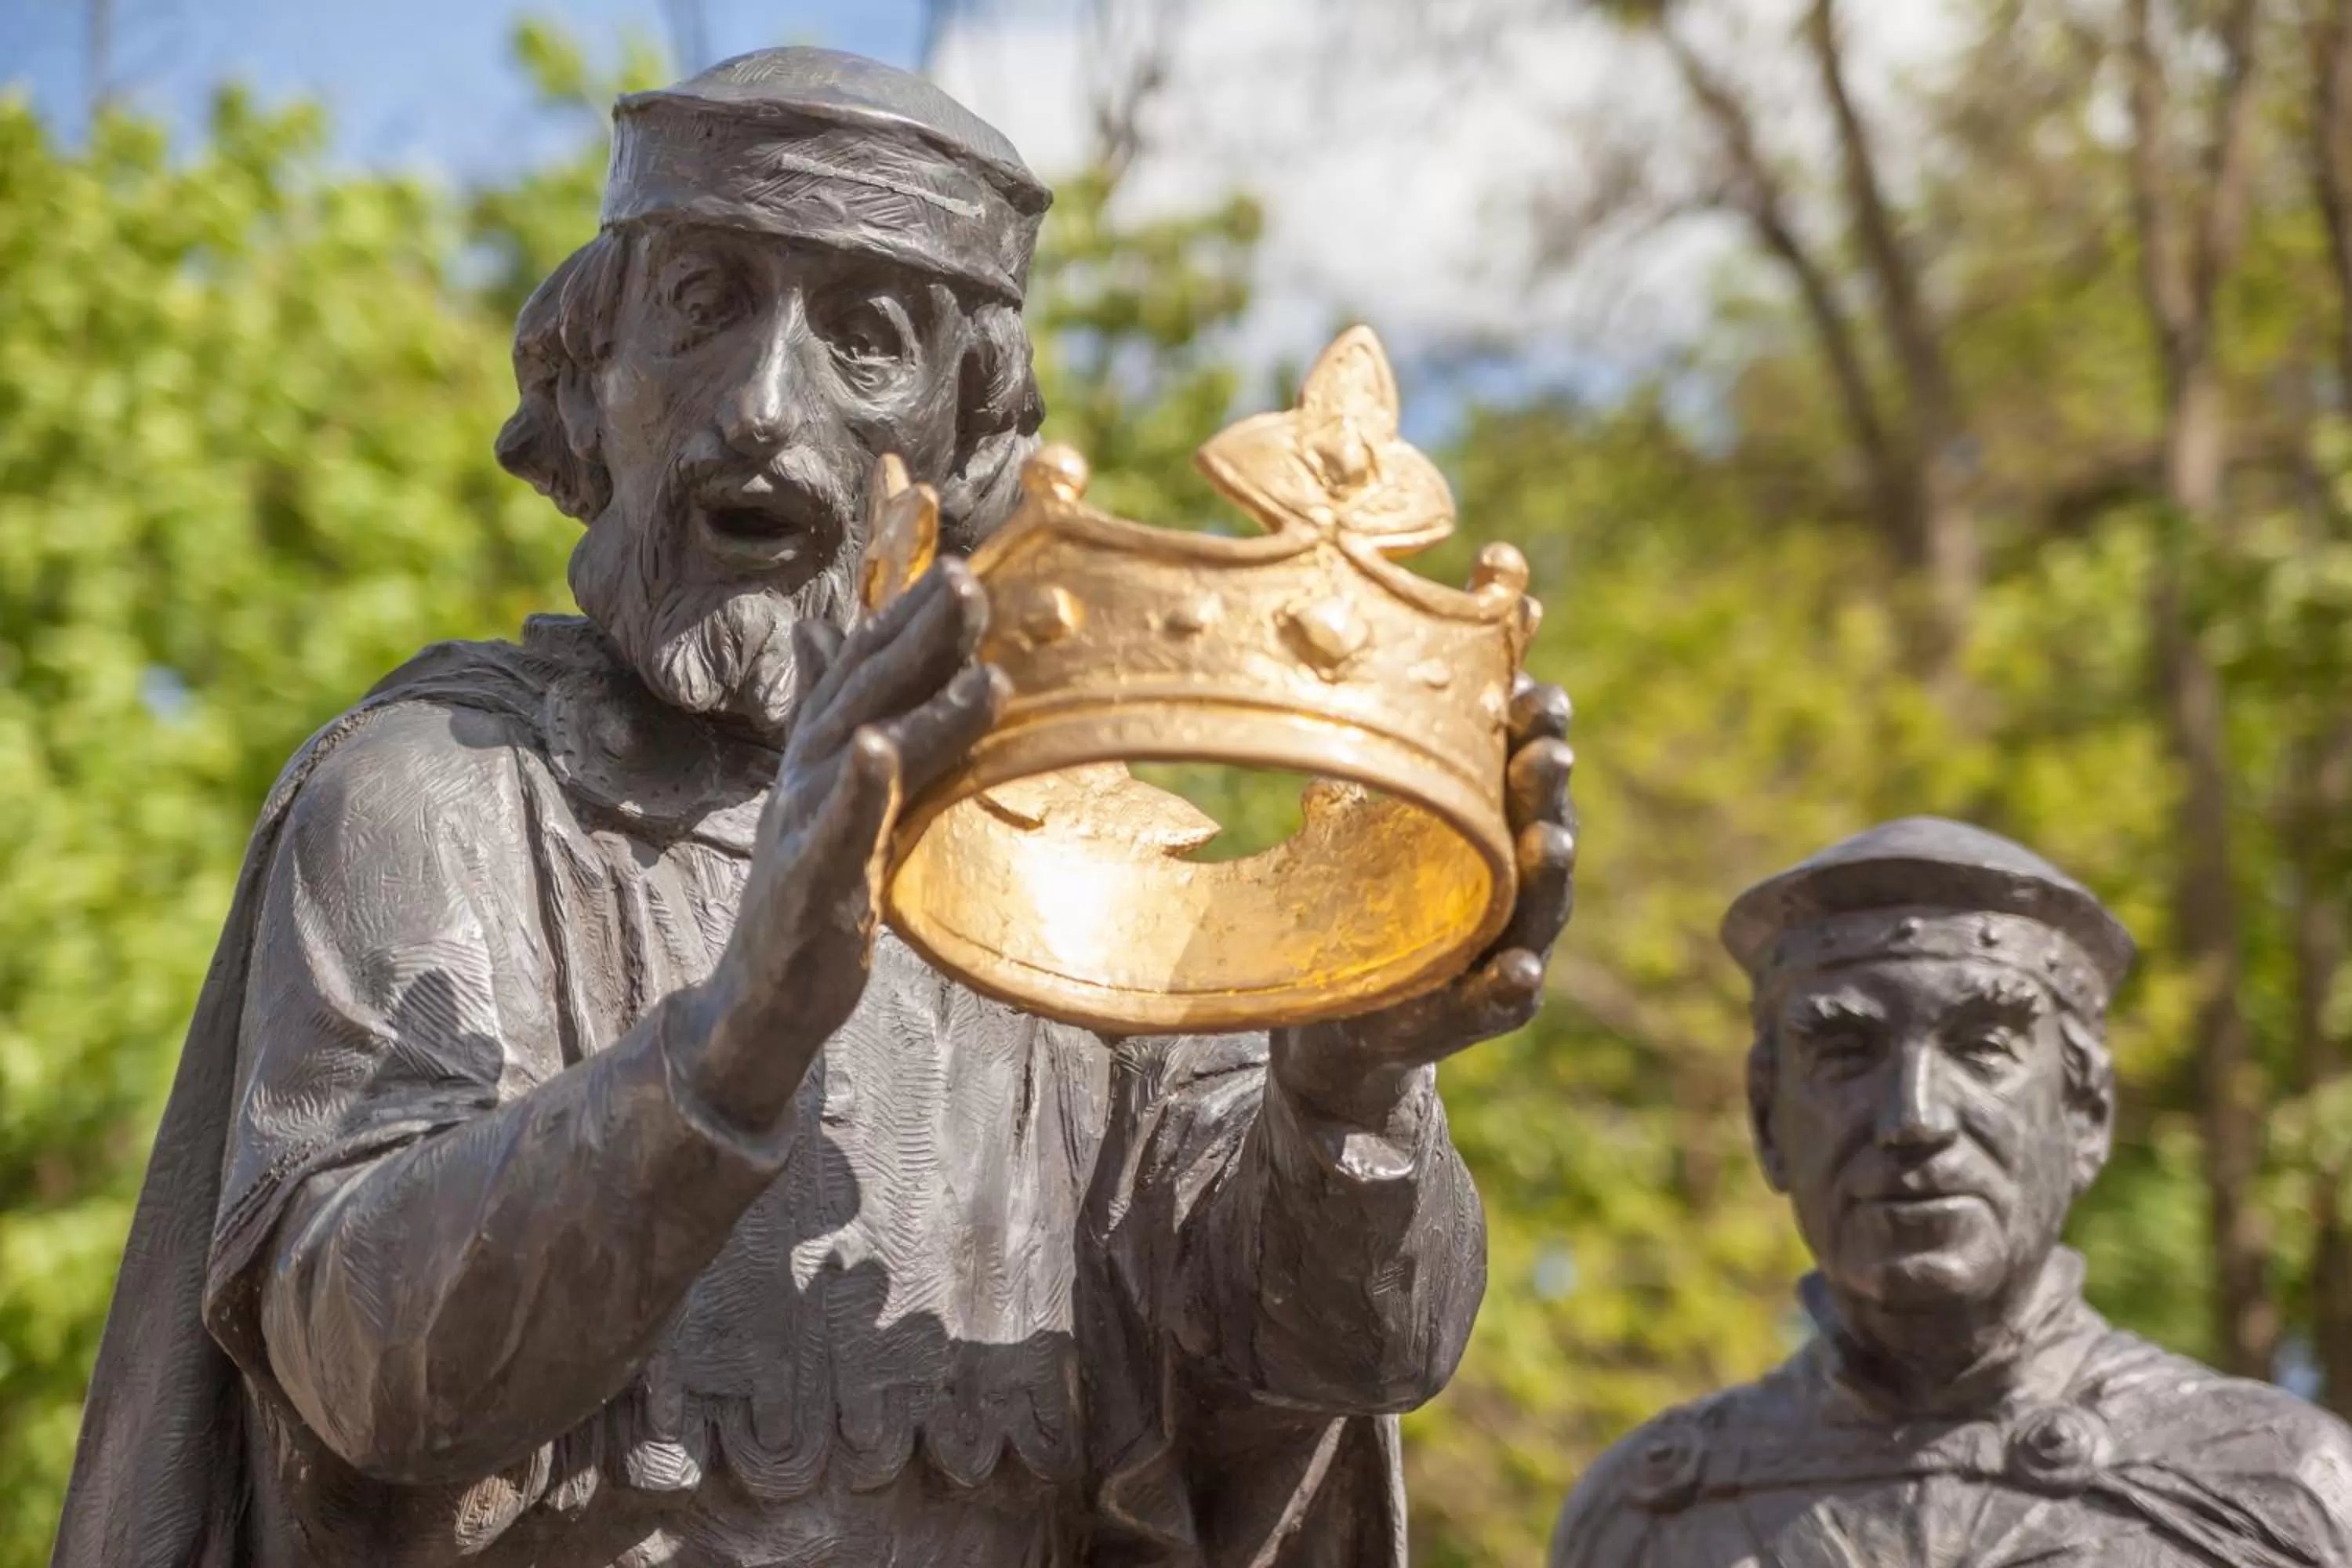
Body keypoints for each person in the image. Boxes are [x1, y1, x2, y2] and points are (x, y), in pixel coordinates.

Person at [52, 45, 1580, 1568]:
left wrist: (1348, 1096)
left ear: (973, 441)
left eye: (865, 340)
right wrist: (733, 1044)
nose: (765, 409)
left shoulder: (1108, 871)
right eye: (705, 310)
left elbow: (1323, 1372)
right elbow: (361, 1371)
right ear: (590, 378)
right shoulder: (436, 793)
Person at [1551, 816, 2352, 1568]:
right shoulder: (1643, 1518)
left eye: (1984, 1046)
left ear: (2087, 1114)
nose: (1915, 1117)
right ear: (1766, 1122)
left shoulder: (2284, 1493)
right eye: (1845, 1052)